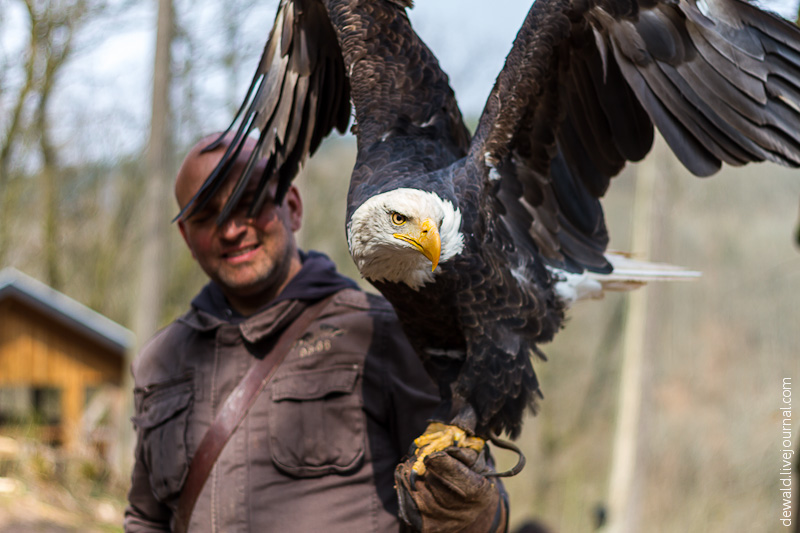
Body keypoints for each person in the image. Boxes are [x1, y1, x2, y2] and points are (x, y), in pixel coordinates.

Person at [124, 134, 508, 532]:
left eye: (250, 203)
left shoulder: (383, 330)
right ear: (187, 236)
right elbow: (145, 518)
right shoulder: (160, 360)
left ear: (292, 207)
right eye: (206, 215)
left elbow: (484, 510)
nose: (232, 228)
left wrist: (471, 513)